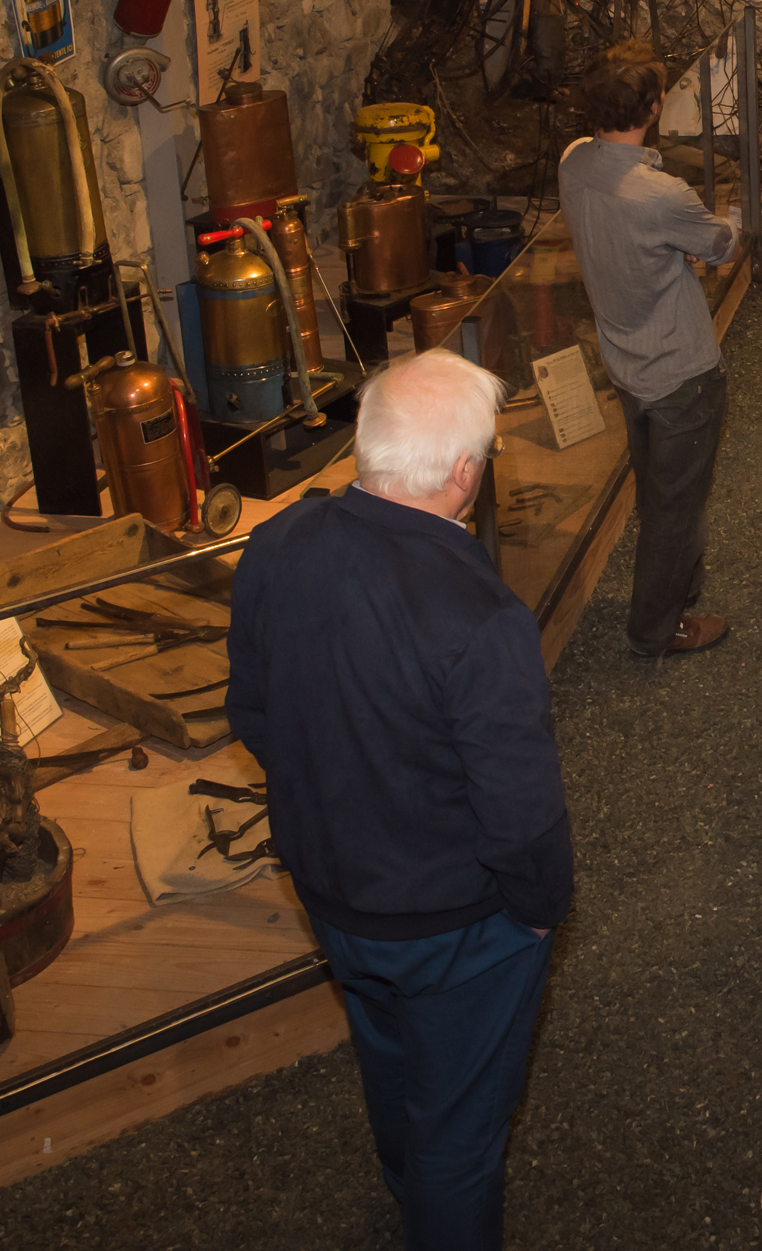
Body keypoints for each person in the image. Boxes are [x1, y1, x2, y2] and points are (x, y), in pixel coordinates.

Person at [226, 350, 570, 1251]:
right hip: (456, 928)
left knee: (385, 1052)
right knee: (460, 1140)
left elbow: (254, 714)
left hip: (333, 898)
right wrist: (539, 912)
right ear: (465, 473)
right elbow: (520, 811)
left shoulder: (275, 545)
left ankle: (402, 1186)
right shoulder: (484, 617)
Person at [558, 59, 739, 656]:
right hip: (681, 374)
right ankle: (656, 629)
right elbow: (719, 243)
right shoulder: (663, 195)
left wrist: (666, 252)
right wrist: (736, 224)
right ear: (655, 109)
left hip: (625, 367)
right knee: (675, 508)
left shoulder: (573, 163)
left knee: (660, 491)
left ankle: (676, 596)